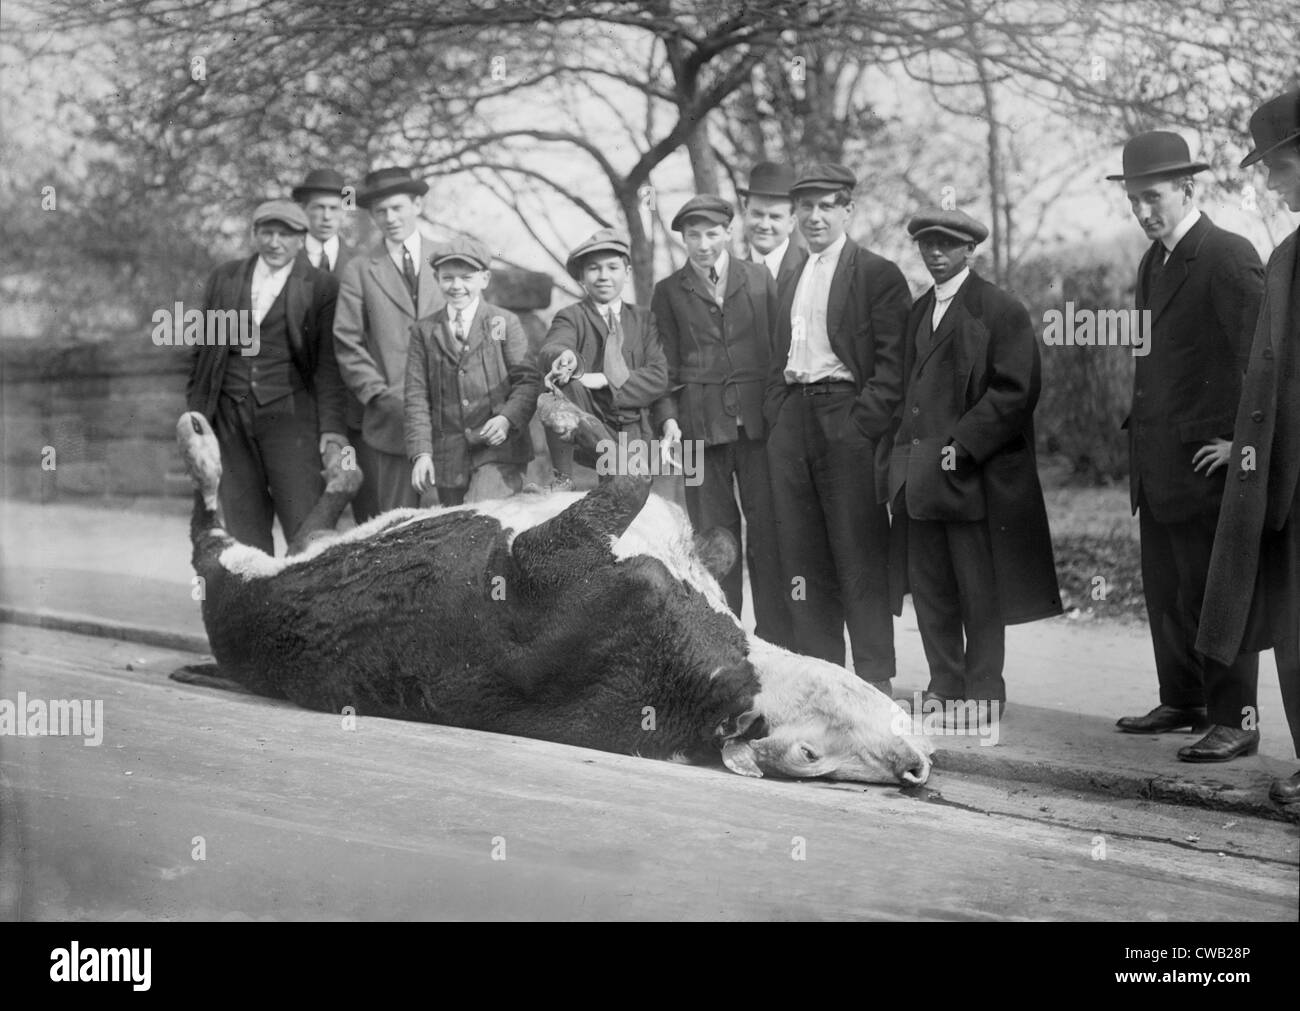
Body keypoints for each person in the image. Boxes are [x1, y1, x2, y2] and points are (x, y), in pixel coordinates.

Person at [1107, 132, 1266, 762]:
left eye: (1154, 198)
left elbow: (1267, 360)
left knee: (1215, 593)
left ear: (1188, 190)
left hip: (1207, 463)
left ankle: (1237, 719)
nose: (1144, 212)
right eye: (1134, 201)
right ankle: (1186, 699)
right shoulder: (1154, 262)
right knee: (1168, 590)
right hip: (1158, 464)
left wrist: (1242, 444)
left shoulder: (1227, 256)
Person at [888, 209, 1061, 719]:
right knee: (930, 587)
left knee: (978, 589)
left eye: (947, 244)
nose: (935, 253)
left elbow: (1016, 390)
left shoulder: (1000, 309)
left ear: (970, 250)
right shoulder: (918, 313)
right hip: (918, 475)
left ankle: (985, 692)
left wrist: (963, 445)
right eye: (927, 245)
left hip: (969, 476)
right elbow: (907, 396)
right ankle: (945, 685)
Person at [763, 163, 911, 693]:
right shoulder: (790, 275)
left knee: (858, 552)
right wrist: (778, 414)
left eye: (828, 205)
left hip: (845, 415)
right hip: (793, 418)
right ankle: (822, 681)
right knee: (802, 554)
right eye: (806, 206)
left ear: (848, 210)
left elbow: (895, 364)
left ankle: (873, 683)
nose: (815, 216)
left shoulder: (876, 272)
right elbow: (778, 354)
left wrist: (860, 425)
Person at [1197, 86, 1300, 807]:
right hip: (1288, 487)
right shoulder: (1290, 253)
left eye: (1277, 164)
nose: (1267, 180)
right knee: (1294, 637)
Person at [651, 195, 792, 645]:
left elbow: (778, 349)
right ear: (683, 240)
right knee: (713, 538)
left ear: (728, 233)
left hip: (758, 424)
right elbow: (664, 365)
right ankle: (727, 638)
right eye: (693, 235)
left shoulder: (758, 277)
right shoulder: (668, 290)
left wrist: (778, 413)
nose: (703, 244)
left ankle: (773, 640)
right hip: (697, 427)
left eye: (712, 233)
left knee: (768, 532)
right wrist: (668, 420)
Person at [186, 199, 348, 554]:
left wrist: (332, 429)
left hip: (291, 418)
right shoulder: (225, 277)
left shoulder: (320, 286)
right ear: (255, 234)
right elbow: (203, 352)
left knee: (304, 523)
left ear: (301, 239)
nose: (275, 242)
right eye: (267, 233)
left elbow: (328, 366)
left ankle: (306, 605)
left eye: (285, 234)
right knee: (244, 528)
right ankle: (257, 604)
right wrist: (197, 416)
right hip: (231, 418)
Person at [334, 167, 442, 514]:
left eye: (397, 208)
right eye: (380, 211)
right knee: (397, 519)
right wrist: (378, 394)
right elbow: (347, 340)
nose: (390, 218)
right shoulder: (361, 269)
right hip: (392, 416)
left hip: (451, 413)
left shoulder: (449, 258)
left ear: (417, 204)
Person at [404, 237, 540, 506]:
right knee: (454, 530)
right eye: (448, 278)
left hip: (498, 451)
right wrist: (421, 453)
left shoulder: (503, 322)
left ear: (484, 279)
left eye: (466, 278)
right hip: (449, 459)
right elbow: (416, 397)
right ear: (436, 279)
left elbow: (527, 381)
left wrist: (506, 419)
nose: (457, 286)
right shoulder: (425, 331)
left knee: (484, 516)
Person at [537, 229, 669, 488]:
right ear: (582, 278)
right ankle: (563, 478)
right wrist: (565, 357)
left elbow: (658, 376)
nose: (604, 276)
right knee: (560, 383)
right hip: (586, 431)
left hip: (635, 432)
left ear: (627, 273)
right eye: (594, 269)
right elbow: (554, 345)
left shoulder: (645, 320)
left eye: (612, 267)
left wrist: (603, 380)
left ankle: (621, 463)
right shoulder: (571, 316)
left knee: (632, 509)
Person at [739, 161, 805, 291]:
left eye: (775, 217)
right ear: (745, 214)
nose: (764, 225)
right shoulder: (731, 275)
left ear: (791, 222)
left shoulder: (809, 267)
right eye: (757, 214)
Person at [292, 168, 355, 276]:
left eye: (334, 208)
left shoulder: (359, 260)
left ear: (344, 213)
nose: (327, 216)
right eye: (319, 207)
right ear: (303, 209)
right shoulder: (287, 257)